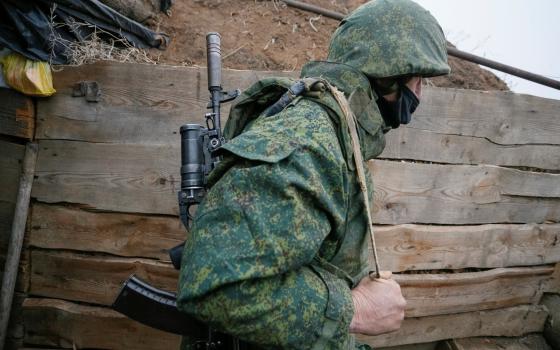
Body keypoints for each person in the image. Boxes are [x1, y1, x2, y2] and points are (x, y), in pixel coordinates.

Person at [177, 0, 450, 348]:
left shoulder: (336, 131)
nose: (420, 93)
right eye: (419, 78)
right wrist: (356, 309)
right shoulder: (308, 143)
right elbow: (217, 286)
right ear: (391, 75)